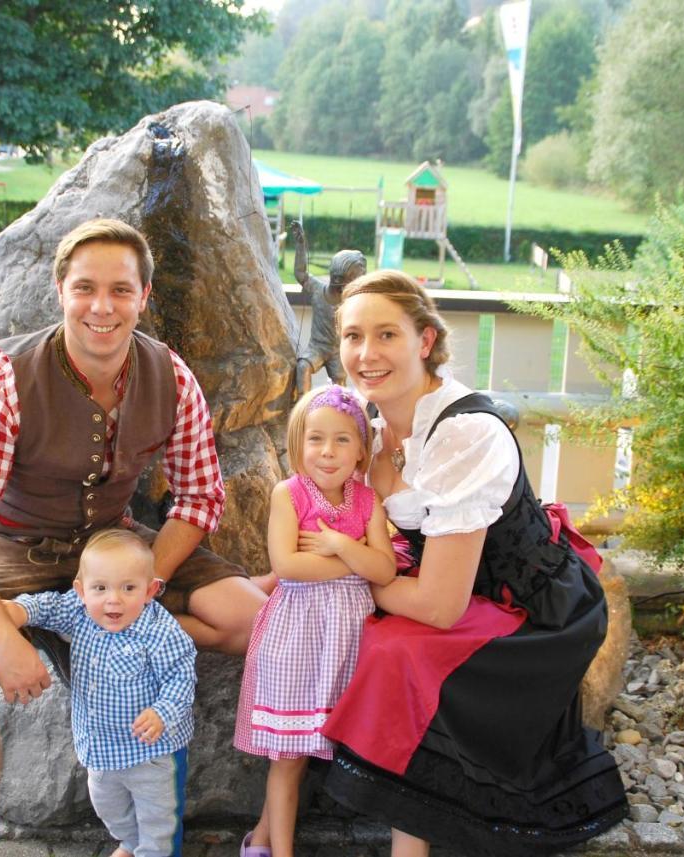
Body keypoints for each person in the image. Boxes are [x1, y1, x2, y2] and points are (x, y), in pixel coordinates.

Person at [0, 218, 268, 857]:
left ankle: (99, 632)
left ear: (143, 295)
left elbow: (200, 498)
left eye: (119, 289)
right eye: (85, 288)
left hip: (115, 547)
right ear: (61, 290)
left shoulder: (171, 375)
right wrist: (3, 638)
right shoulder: (8, 377)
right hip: (16, 551)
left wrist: (148, 586)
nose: (102, 307)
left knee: (253, 619)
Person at [318, 270, 627, 856]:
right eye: (353, 337)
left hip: (535, 613)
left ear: (425, 341)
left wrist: (359, 578)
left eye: (386, 335)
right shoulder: (374, 424)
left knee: (396, 649)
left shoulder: (466, 434)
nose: (366, 353)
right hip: (464, 591)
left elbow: (438, 605)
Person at [234, 384, 395, 857]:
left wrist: (341, 545)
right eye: (316, 439)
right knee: (289, 757)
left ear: (362, 449)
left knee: (313, 751)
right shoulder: (290, 494)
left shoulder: (367, 502)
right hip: (298, 638)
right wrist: (357, 562)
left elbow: (384, 569)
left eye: (343, 440)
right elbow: (288, 566)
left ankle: (259, 840)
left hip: (346, 642)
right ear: (297, 444)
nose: (328, 452)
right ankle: (276, 851)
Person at [2, 529, 196, 857]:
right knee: (109, 807)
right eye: (101, 588)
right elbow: (47, 607)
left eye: (128, 588)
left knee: (159, 820)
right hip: (101, 750)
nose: (113, 599)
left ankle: (152, 850)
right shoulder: (80, 612)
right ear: (81, 591)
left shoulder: (159, 632)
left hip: (152, 754)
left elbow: (181, 677)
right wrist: (22, 611)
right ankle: (131, 843)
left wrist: (162, 712)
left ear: (149, 591)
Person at [288, 220, 366, 398]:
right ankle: (303, 406)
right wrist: (300, 245)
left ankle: (342, 411)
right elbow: (301, 274)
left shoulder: (353, 300)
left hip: (338, 350)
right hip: (317, 347)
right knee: (303, 367)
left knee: (340, 386)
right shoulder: (317, 290)